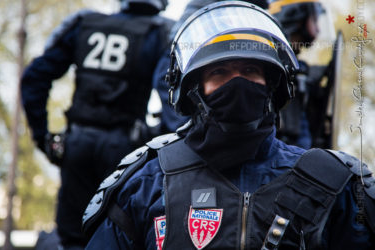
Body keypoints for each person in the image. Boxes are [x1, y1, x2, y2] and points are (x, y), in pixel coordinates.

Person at [82, 2, 375, 249]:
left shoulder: (333, 184)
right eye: (220, 72)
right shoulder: (144, 184)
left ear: (272, 84)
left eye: (250, 70)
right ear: (194, 90)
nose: (238, 83)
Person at [20, 0, 173, 248]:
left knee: (72, 238)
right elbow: (171, 101)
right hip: (125, 150)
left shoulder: (84, 23)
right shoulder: (161, 32)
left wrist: (43, 137)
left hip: (76, 144)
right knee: (120, 234)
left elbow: (34, 77)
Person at [152, 0, 269, 134]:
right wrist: (186, 132)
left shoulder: (257, 16)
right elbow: (169, 73)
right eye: (220, 72)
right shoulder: (198, 15)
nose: (237, 80)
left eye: (250, 70)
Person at [268, 0, 333, 149]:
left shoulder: (298, 67)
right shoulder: (274, 64)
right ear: (294, 14)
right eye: (314, 17)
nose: (317, 26)